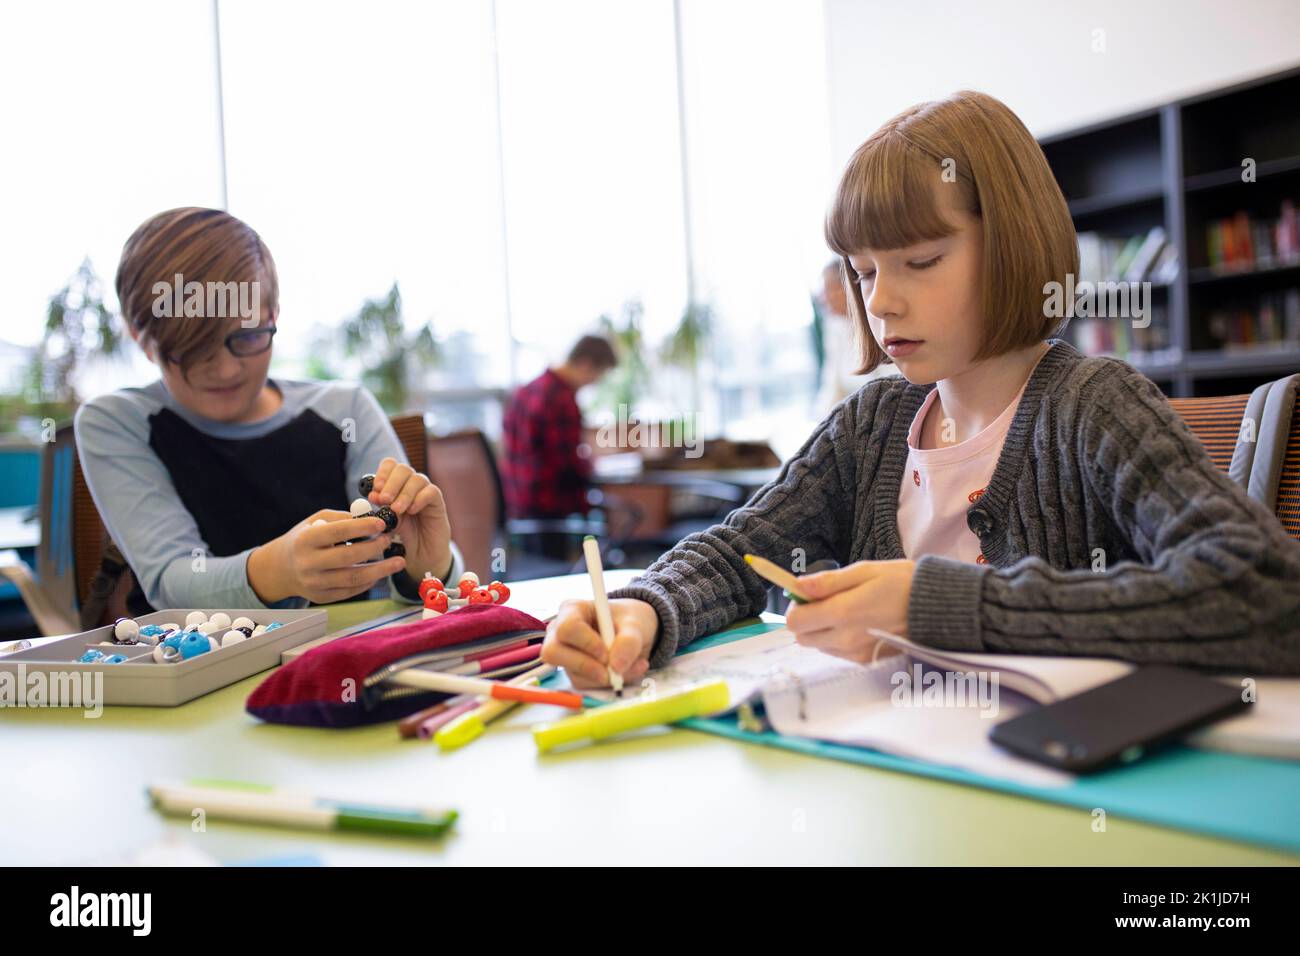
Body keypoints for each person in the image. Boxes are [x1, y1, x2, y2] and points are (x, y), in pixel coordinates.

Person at [542, 90, 1300, 687]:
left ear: (1012, 242)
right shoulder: (873, 421)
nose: (881, 303)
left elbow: (1266, 596)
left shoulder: (1093, 405)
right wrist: (642, 610)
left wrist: (934, 606)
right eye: (864, 271)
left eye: (922, 261)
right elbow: (743, 551)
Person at [75, 207, 463, 614]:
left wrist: (430, 566)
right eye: (192, 349)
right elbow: (171, 580)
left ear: (274, 315)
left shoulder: (346, 410)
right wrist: (275, 571)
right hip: (190, 664)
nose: (225, 368)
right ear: (141, 336)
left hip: (338, 658)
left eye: (247, 336)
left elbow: (429, 592)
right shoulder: (118, 421)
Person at [500, 335, 617, 556]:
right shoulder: (560, 399)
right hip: (549, 505)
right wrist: (592, 468)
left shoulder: (525, 391)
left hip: (519, 505)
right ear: (586, 364)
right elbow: (566, 463)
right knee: (612, 513)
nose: (594, 383)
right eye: (597, 376)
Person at [814, 258, 900, 415]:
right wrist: (821, 423)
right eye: (823, 291)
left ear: (850, 287)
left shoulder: (877, 320)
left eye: (830, 289)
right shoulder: (834, 327)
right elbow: (832, 384)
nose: (823, 298)